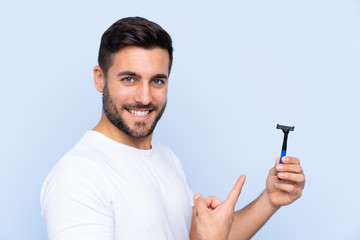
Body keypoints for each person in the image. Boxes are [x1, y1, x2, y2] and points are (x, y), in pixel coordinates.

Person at [40, 17, 305, 240]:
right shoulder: (79, 176)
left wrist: (269, 200)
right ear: (100, 78)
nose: (144, 97)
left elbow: (201, 236)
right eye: (129, 79)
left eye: (157, 81)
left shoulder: (166, 158)